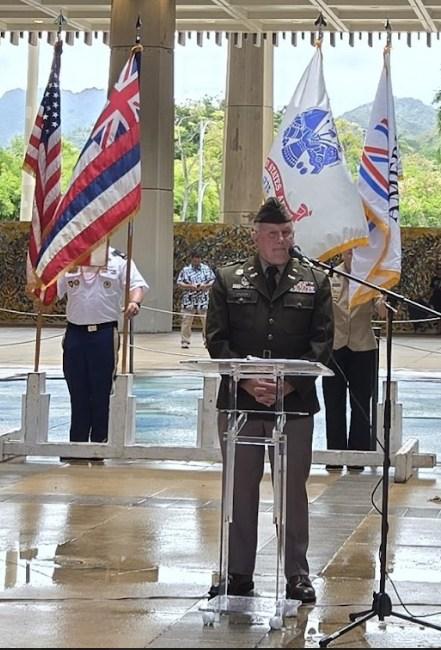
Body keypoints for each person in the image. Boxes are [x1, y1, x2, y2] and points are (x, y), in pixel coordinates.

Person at [205, 197, 334, 604]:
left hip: (293, 405)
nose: (282, 240)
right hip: (240, 403)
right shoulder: (229, 279)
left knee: (292, 491)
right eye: (274, 234)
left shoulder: (314, 280)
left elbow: (322, 343)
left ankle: (297, 573)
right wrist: (247, 382)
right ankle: (238, 572)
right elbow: (216, 340)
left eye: (287, 232)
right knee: (239, 490)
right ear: (256, 237)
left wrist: (289, 384)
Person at [57, 246, 148, 456]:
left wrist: (134, 302)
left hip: (103, 333)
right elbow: (53, 291)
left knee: (101, 390)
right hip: (75, 333)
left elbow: (137, 284)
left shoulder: (118, 260)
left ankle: (99, 443)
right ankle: (77, 443)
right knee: (76, 389)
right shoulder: (69, 258)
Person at [322, 248, 385, 472]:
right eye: (350, 253)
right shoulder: (328, 277)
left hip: (363, 347)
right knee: (333, 403)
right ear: (343, 254)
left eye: (358, 254)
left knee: (361, 404)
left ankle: (358, 456)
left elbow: (381, 310)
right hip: (335, 348)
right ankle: (335, 454)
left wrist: (383, 303)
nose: (353, 258)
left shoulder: (370, 278)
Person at [176, 250, 215, 349]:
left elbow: (213, 281)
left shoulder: (206, 269)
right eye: (194, 260)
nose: (196, 261)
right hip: (189, 299)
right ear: (191, 259)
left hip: (203, 299)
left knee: (206, 322)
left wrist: (205, 285)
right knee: (186, 321)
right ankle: (185, 341)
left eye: (198, 260)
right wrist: (189, 286)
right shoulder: (185, 270)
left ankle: (207, 341)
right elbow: (179, 283)